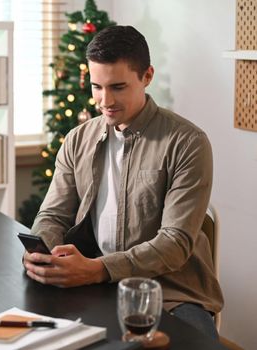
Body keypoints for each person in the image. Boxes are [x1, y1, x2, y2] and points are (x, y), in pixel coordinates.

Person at [23, 25, 223, 339]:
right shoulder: (78, 139)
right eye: (96, 87)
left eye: (118, 87)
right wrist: (40, 250)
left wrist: (98, 269)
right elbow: (52, 216)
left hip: (170, 292)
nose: (105, 101)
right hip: (93, 282)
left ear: (147, 76)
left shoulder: (187, 142)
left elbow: (174, 244)